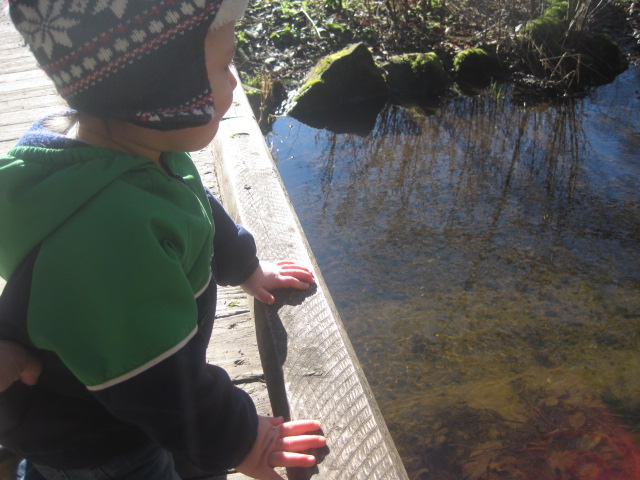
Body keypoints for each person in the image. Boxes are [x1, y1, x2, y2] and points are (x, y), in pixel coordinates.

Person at [0, 0, 326, 479]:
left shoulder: (121, 153)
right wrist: (241, 440)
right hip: (100, 438)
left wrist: (245, 267)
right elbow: (156, 381)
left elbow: (191, 204)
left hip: (119, 398)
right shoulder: (108, 230)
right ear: (164, 89)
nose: (235, 82)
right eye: (223, 66)